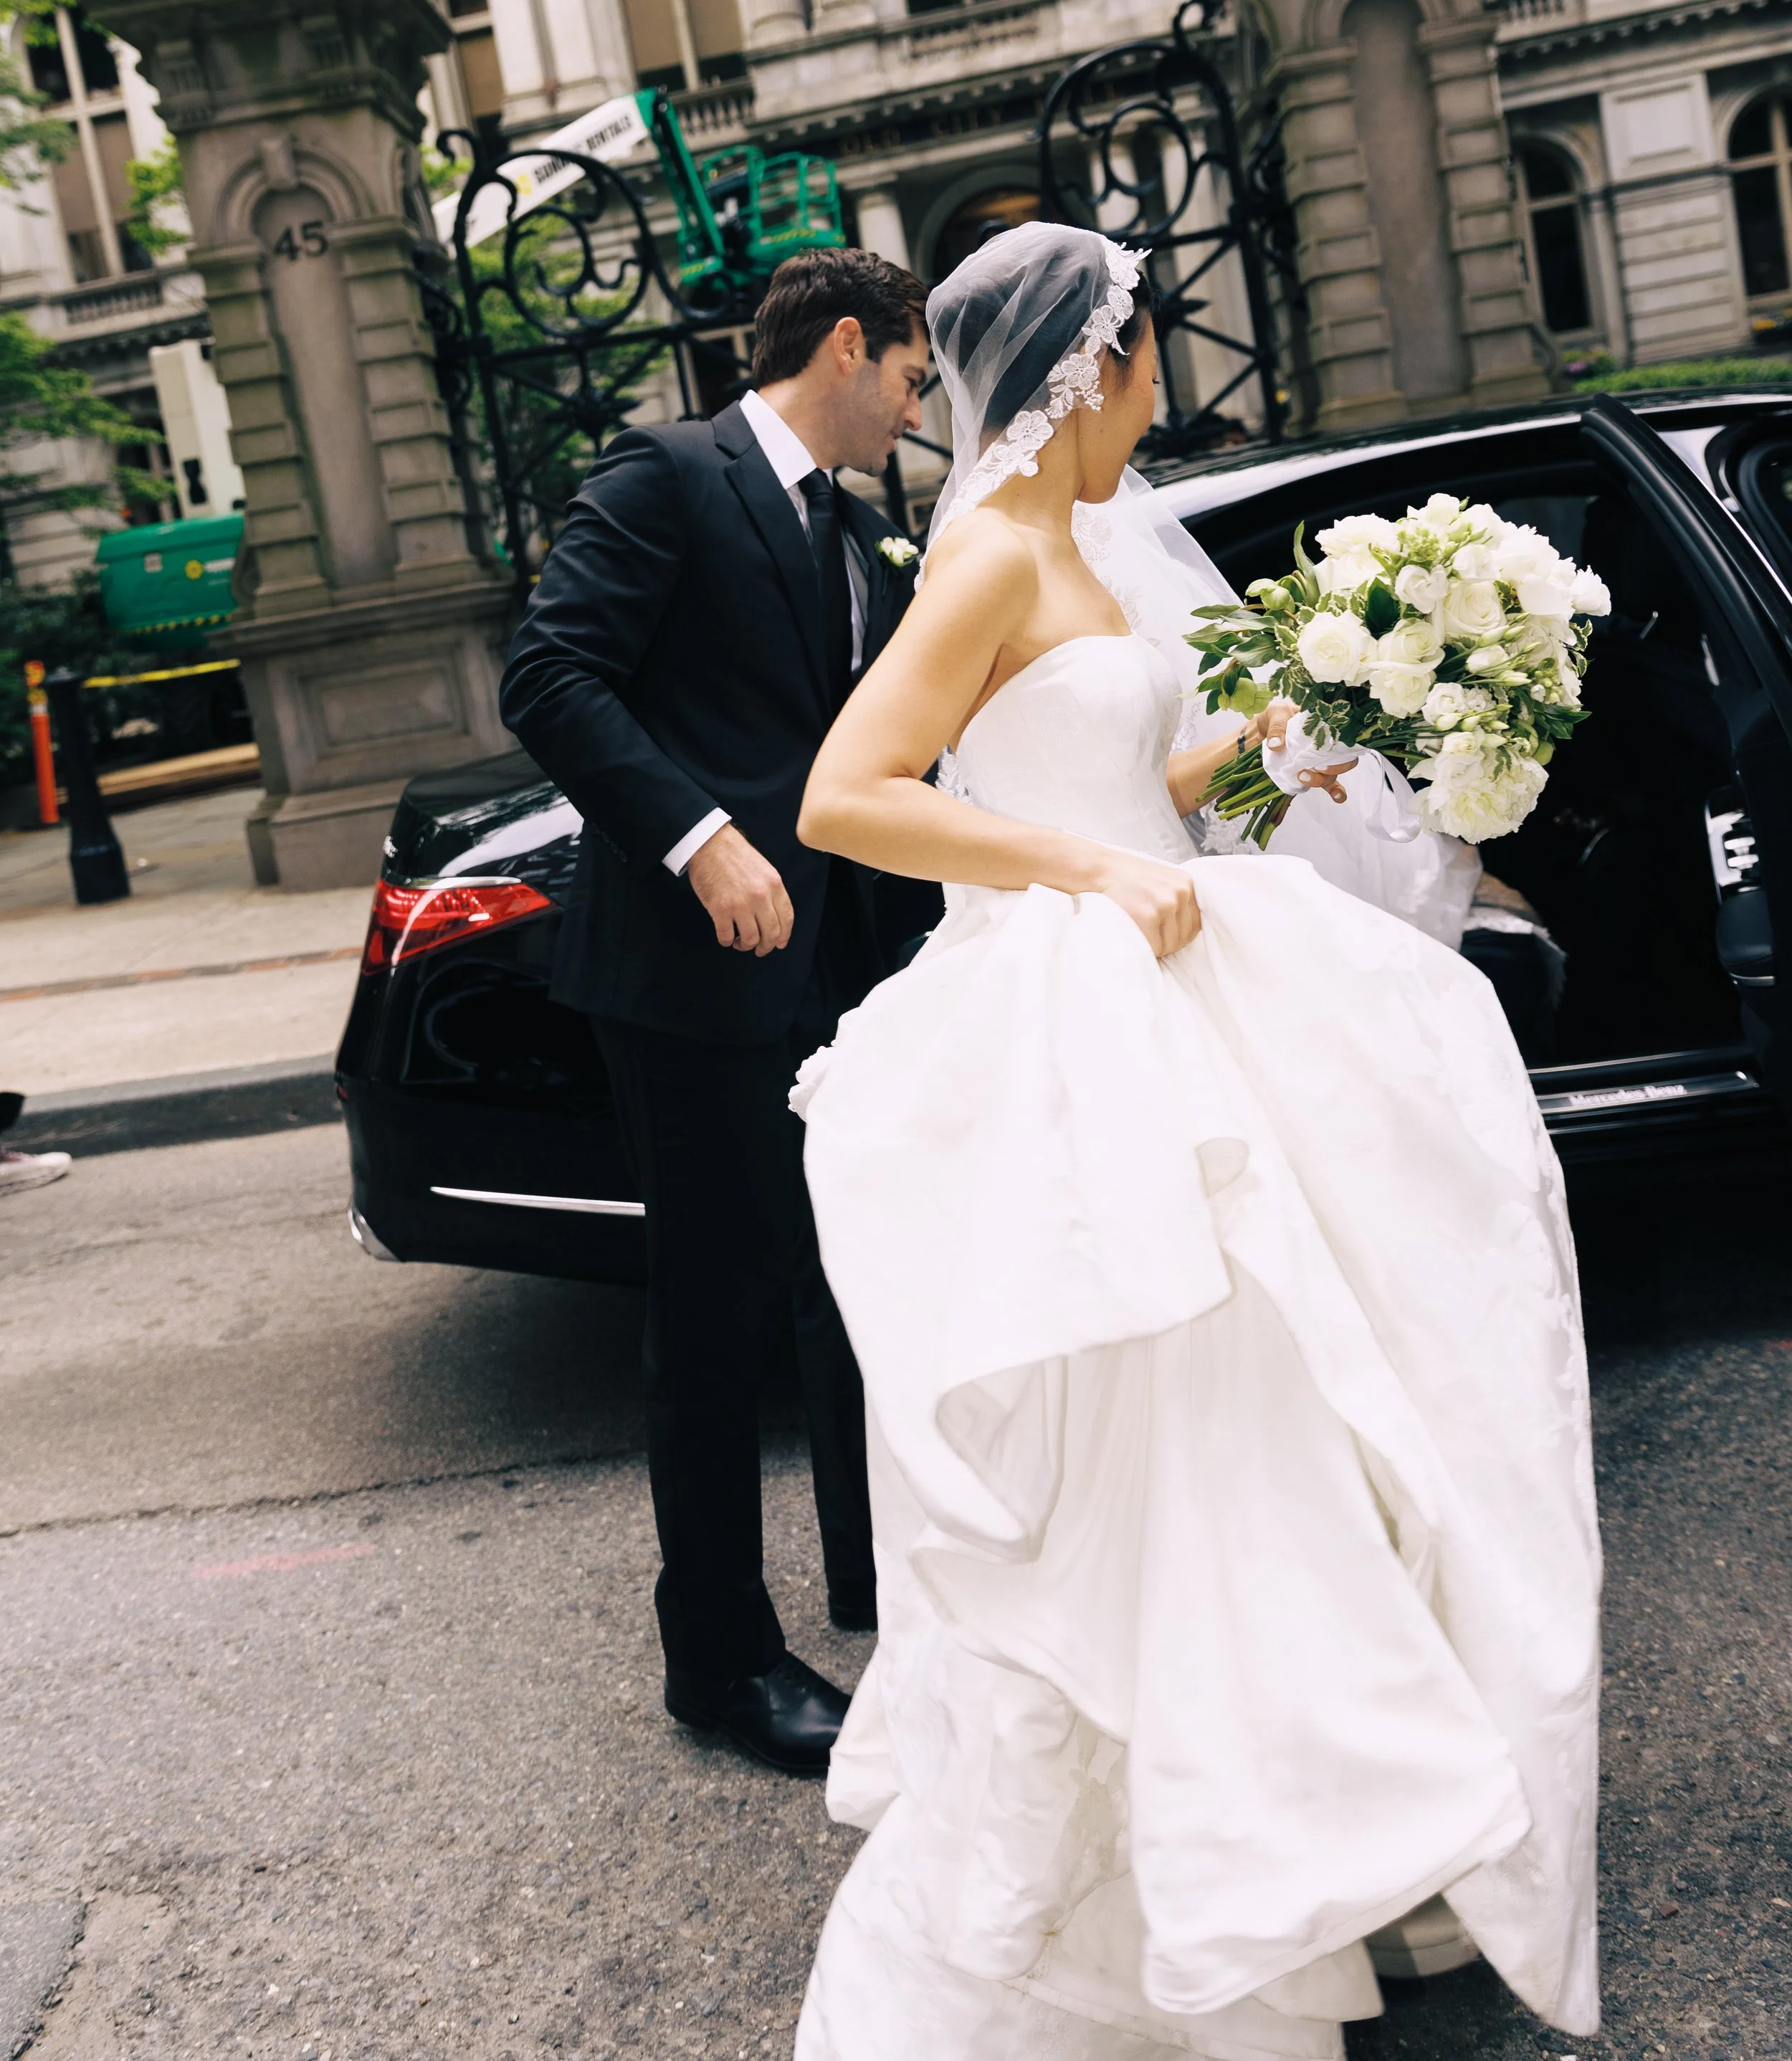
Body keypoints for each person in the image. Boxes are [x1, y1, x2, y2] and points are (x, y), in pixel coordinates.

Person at [788, 224, 1601, 2057]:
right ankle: (1132, 1899)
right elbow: (852, 798)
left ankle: (1272, 1853)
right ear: (1099, 363)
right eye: (1147, 357)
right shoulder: (988, 552)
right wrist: (1082, 865)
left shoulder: (1074, 550)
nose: (1154, 389)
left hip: (1166, 982)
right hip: (1067, 1023)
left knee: (1267, 1427)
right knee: (1148, 1434)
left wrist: (1261, 760)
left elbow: (1094, 770)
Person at [499, 246, 934, 1781]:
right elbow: (550, 678)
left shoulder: (854, 522)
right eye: (906, 373)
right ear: (840, 345)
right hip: (689, 976)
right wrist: (699, 837)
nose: (915, 403)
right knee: (713, 1316)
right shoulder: (668, 472)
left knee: (841, 1278)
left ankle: (871, 1587)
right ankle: (720, 1663)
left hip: (826, 967)